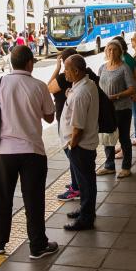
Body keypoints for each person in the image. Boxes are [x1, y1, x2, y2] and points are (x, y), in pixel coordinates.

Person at [0, 45, 58, 259]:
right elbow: (50, 117)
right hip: (32, 151)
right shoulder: (39, 86)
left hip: (4, 152)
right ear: (29, 63)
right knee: (34, 199)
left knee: (2, 198)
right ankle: (37, 246)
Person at [60, 54, 99, 231]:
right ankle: (86, 209)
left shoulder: (82, 93)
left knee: (86, 182)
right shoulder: (85, 84)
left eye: (66, 69)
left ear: (76, 71)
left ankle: (86, 218)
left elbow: (78, 128)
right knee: (85, 181)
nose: (64, 72)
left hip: (81, 146)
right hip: (83, 145)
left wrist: (72, 145)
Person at [48, 49, 85, 201]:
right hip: (69, 117)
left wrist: (56, 68)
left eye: (63, 63)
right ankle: (76, 184)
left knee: (71, 154)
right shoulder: (81, 76)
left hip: (66, 119)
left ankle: (77, 188)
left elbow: (48, 87)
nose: (63, 68)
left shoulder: (64, 77)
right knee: (73, 155)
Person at [96, 40, 136, 178]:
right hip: (107, 109)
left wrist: (117, 96)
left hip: (122, 108)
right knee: (107, 137)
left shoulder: (124, 68)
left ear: (120, 52)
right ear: (106, 52)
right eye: (109, 49)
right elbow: (98, 86)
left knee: (124, 137)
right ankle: (109, 166)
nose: (111, 52)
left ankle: (126, 167)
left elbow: (132, 88)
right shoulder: (102, 68)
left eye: (114, 49)